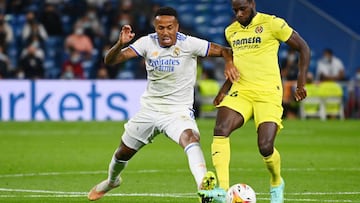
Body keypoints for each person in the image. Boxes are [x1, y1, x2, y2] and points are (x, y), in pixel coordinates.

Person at [87, 6, 238, 202]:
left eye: (169, 27)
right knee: (123, 152)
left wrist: (228, 63)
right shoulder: (146, 43)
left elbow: (225, 51)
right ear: (155, 27)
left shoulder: (190, 44)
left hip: (177, 111)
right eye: (160, 28)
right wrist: (119, 43)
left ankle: (204, 188)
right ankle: (111, 181)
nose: (165, 32)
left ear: (177, 27)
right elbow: (110, 60)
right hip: (149, 110)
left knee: (190, 138)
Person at [198, 1, 310, 203]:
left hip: (268, 93)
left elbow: (303, 48)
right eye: (235, 10)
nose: (239, 14)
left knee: (265, 146)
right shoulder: (230, 31)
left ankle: (276, 182)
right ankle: (223, 190)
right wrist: (224, 90)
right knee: (221, 129)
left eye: (243, 9)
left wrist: (300, 83)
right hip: (241, 90)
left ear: (252, 3)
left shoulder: (272, 23)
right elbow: (240, 63)